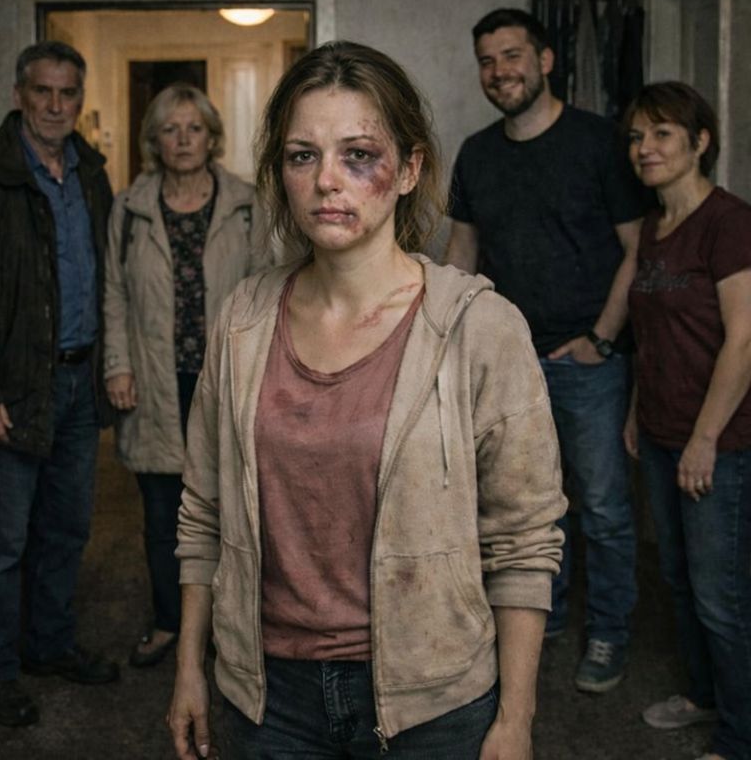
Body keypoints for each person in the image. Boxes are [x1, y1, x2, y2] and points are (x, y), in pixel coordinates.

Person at [167, 40, 566, 760]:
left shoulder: (478, 327)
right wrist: (190, 668)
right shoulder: (242, 321)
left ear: (409, 169)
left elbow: (523, 540)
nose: (327, 181)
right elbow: (203, 511)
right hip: (270, 696)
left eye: (358, 155)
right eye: (302, 156)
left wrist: (516, 718)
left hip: (432, 699)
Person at [445, 7, 649, 693]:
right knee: (524, 505)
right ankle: (545, 614)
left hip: (586, 363)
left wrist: (602, 339)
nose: (499, 71)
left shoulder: (598, 141)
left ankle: (610, 631)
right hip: (507, 362)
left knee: (604, 508)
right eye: (487, 60)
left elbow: (636, 248)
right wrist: (451, 338)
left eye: (511, 55)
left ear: (545, 60)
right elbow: (463, 250)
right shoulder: (476, 152)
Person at [0, 41, 118, 728]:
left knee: (67, 528)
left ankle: (49, 644)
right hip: (10, 389)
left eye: (67, 92)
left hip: (78, 383)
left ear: (80, 99)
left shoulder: (92, 174)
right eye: (42, 91)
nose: (55, 105)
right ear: (18, 94)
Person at [103, 83, 270, 668]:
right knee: (162, 514)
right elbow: (115, 293)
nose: (182, 140)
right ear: (154, 139)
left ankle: (228, 626)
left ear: (211, 137)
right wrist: (118, 365)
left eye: (193, 129)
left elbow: (266, 290)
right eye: (170, 130)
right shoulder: (129, 208)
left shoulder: (246, 204)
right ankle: (170, 622)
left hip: (225, 380)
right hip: (154, 378)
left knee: (232, 509)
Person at [624, 81, 751, 760]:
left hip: (719, 443)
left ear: (700, 142)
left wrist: (705, 439)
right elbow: (651, 335)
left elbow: (745, 341)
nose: (644, 148)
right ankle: (703, 696)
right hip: (661, 433)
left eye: (662, 134)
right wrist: (636, 410)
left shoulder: (729, 222)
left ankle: (740, 735)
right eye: (637, 137)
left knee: (721, 596)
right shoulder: (653, 226)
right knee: (677, 579)